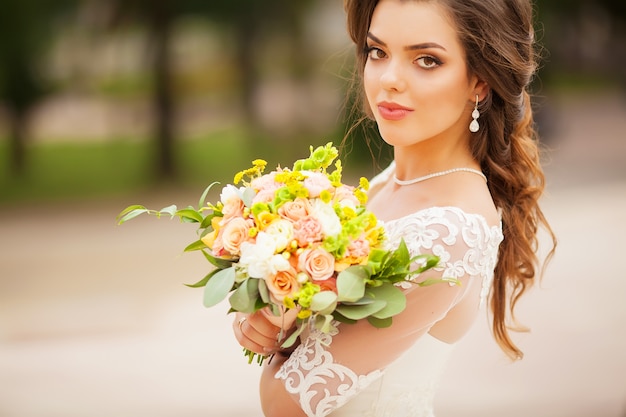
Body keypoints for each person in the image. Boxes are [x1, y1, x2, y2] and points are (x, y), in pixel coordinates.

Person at [233, 0, 557, 416]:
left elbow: (285, 402)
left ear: (480, 82)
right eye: (378, 52)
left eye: (426, 60)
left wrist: (287, 326)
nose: (389, 80)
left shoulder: (449, 233)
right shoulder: (391, 180)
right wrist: (266, 306)